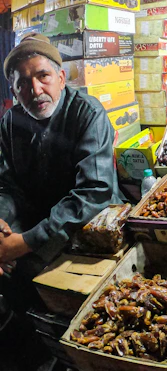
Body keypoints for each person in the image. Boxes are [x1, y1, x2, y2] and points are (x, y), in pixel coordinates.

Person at [0, 33, 122, 314]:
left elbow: (94, 191)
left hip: (91, 225)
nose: (36, 89)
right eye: (23, 84)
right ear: (14, 91)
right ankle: (28, 340)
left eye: (43, 76)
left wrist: (27, 242)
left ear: (62, 77)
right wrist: (3, 227)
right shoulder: (10, 123)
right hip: (38, 222)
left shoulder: (87, 113)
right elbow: (7, 187)